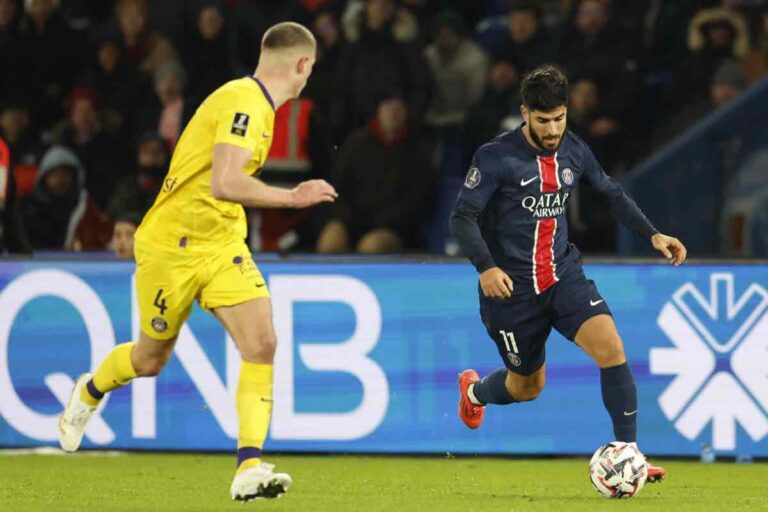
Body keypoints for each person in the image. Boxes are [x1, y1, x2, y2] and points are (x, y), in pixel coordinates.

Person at [58, 22, 336, 502]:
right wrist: (292, 197)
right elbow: (225, 183)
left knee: (262, 342)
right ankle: (89, 392)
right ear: (302, 64)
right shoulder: (244, 102)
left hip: (220, 242)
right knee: (149, 360)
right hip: (170, 247)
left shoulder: (257, 107)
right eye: (310, 69)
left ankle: (248, 466)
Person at [449, 66, 687, 483]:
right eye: (543, 120)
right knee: (527, 387)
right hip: (511, 292)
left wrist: (652, 233)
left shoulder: (574, 150)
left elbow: (611, 192)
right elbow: (462, 217)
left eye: (559, 118)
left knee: (611, 346)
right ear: (525, 113)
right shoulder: (496, 157)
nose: (553, 129)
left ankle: (629, 453)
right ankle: (474, 392)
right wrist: (486, 267)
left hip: (562, 276)